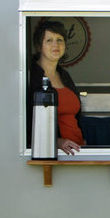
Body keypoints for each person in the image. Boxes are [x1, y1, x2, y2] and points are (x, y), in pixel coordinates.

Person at [28, 20, 84, 155]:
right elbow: (26, 123)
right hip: (52, 153)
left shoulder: (64, 75)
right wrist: (56, 141)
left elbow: (76, 117)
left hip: (77, 151)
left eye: (60, 40)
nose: (56, 45)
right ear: (39, 46)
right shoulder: (30, 77)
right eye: (49, 40)